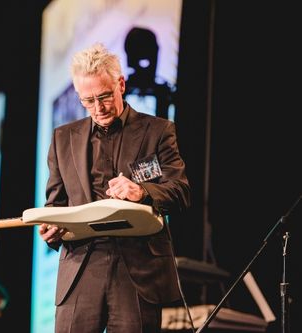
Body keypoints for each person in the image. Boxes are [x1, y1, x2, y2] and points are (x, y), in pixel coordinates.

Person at [38, 43, 191, 333]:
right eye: (88, 100)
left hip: (137, 270)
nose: (98, 108)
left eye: (105, 96)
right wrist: (50, 229)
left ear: (120, 84)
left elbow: (180, 191)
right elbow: (55, 205)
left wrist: (142, 192)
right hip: (80, 268)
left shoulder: (157, 131)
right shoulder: (63, 139)